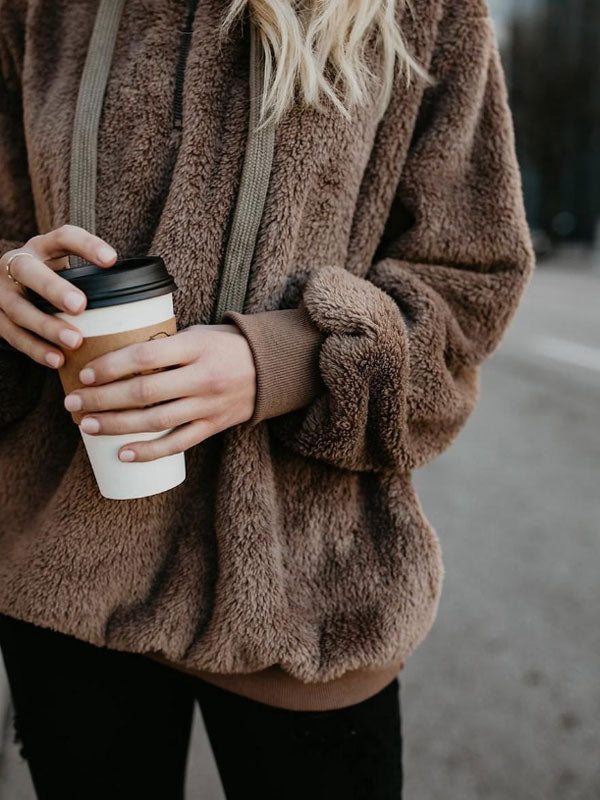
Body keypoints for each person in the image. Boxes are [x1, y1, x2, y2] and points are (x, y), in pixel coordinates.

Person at [0, 0, 534, 798]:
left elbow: (471, 283)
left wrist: (281, 364)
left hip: (308, 592)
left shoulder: (427, 11)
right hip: (68, 587)